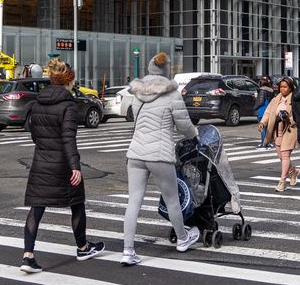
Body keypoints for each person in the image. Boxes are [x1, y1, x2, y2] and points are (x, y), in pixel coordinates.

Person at [21, 58, 104, 273]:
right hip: (63, 164)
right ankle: (83, 247)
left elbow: (34, 134)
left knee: (36, 208)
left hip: (40, 161)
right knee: (77, 203)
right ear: (68, 81)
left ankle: (28, 256)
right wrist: (75, 166)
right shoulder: (68, 105)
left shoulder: (37, 103)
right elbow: (69, 138)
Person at [122, 52, 199, 267]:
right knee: (172, 199)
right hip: (159, 154)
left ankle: (128, 251)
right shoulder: (172, 94)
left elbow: (136, 119)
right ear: (166, 72)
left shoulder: (136, 93)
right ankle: (183, 239)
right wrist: (195, 134)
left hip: (136, 153)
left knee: (133, 201)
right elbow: (183, 125)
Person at [258, 77, 298, 192]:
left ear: (290, 88)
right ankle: (293, 171)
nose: (283, 89)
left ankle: (282, 182)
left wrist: (288, 118)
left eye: (285, 87)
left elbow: (298, 116)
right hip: (277, 131)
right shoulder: (276, 99)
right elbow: (268, 112)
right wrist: (262, 123)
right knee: (281, 156)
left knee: (285, 156)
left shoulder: (295, 100)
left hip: (289, 130)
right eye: (281, 87)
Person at [254, 77, 275, 148]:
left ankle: (264, 142)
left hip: (262, 110)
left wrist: (255, 107)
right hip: (269, 110)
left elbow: (261, 101)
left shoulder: (262, 91)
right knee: (267, 128)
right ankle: (268, 142)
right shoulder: (271, 91)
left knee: (262, 127)